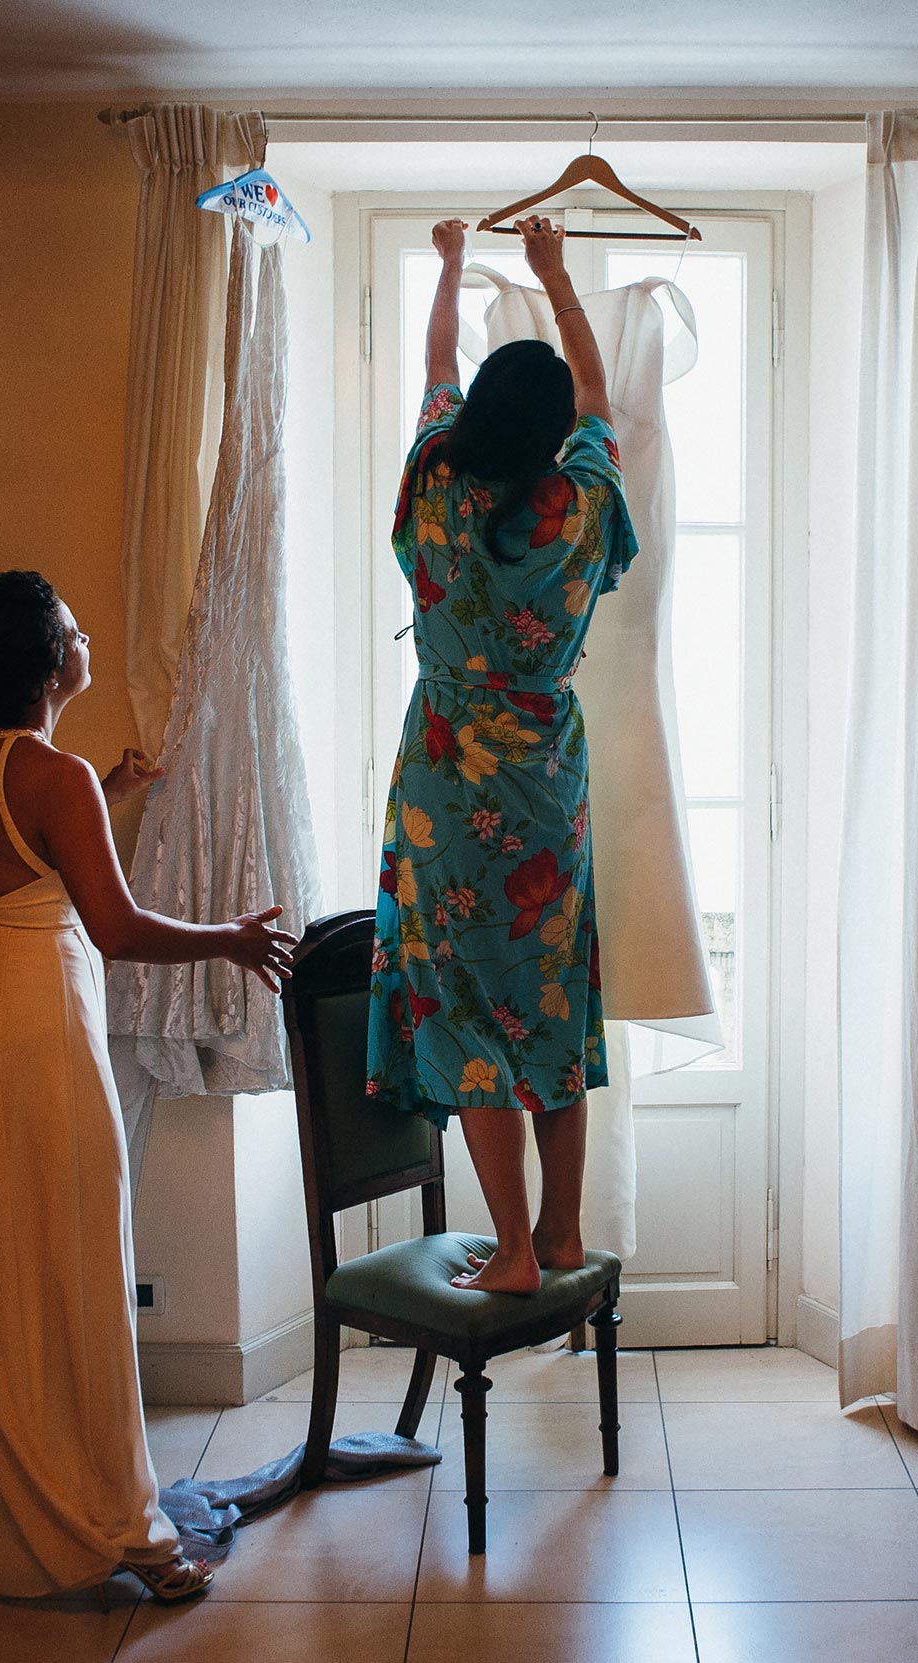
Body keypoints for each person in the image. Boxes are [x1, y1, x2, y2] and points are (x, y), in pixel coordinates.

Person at [0, 570, 296, 1602]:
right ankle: (121, 1526)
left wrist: (108, 798)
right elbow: (113, 929)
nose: (85, 640)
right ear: (45, 661)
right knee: (73, 1258)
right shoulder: (54, 773)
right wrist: (234, 940)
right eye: (73, 630)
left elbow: (22, 873)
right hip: (40, 1031)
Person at [366, 216, 638, 1296]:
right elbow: (600, 399)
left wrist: (445, 267)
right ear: (555, 426)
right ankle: (563, 1232)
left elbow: (436, 366)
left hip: (445, 775)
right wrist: (558, 279)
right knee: (550, 994)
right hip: (546, 778)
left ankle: (515, 1251)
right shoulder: (579, 502)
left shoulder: (437, 479)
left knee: (470, 1007)